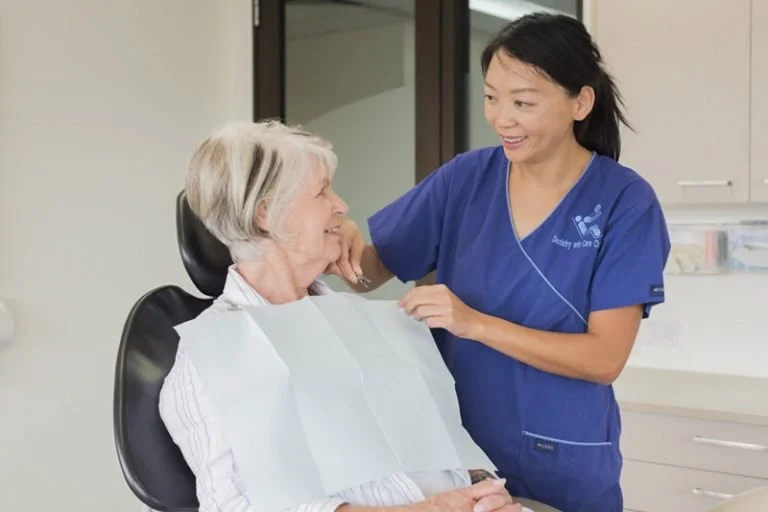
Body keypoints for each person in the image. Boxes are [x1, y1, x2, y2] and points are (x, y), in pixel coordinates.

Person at [331, 13, 671, 512]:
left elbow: (604, 359)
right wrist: (337, 238)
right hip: (457, 454)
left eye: (522, 103)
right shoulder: (466, 180)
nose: (501, 118)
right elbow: (365, 276)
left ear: (581, 102)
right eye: (491, 97)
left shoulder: (625, 201)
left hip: (565, 463)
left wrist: (474, 324)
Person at [158, 120, 525, 512]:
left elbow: (448, 447)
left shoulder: (375, 326)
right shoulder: (214, 360)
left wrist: (483, 490)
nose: (342, 206)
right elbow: (236, 507)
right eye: (321, 192)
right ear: (267, 215)